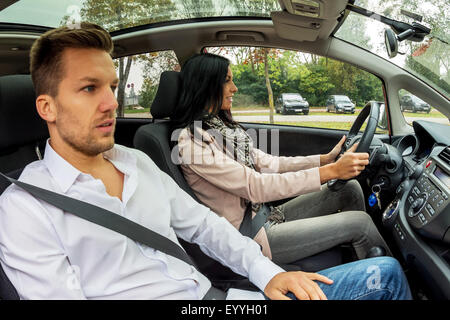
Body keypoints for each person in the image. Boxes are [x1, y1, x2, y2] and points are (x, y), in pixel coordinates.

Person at [0, 23, 411, 300]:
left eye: (111, 85)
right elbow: (254, 184)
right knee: (386, 274)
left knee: (384, 270)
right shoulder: (25, 209)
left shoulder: (137, 162)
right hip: (234, 262)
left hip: (214, 296)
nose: (111, 102)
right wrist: (326, 172)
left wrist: (267, 274)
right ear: (47, 107)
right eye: (89, 89)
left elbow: (206, 223)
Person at [174, 53, 391, 265]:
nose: (234, 88)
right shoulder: (192, 143)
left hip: (266, 215)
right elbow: (255, 185)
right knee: (361, 224)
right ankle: (393, 282)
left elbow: (272, 164)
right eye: (227, 81)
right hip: (249, 237)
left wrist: (324, 161)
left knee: (349, 188)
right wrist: (332, 172)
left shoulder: (220, 128)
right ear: (205, 85)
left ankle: (360, 262)